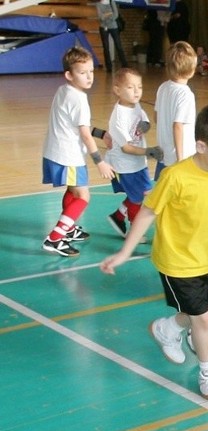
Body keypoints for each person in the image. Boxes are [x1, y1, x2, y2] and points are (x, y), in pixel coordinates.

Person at [100, 104, 208, 400]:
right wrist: (124, 253)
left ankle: (169, 327)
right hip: (178, 262)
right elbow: (147, 213)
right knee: (203, 319)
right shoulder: (175, 176)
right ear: (201, 146)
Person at [41, 46, 115, 257]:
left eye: (91, 71)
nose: (89, 77)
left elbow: (77, 125)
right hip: (68, 156)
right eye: (83, 73)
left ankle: (69, 228)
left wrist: (101, 133)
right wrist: (99, 161)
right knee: (83, 196)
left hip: (54, 152)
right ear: (69, 75)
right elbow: (83, 133)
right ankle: (55, 238)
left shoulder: (64, 90)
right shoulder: (79, 99)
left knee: (73, 191)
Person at [104, 68, 163, 239]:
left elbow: (144, 120)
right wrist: (148, 151)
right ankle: (133, 231)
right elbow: (126, 148)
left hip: (138, 162)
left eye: (140, 87)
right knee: (139, 197)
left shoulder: (135, 105)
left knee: (139, 195)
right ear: (117, 90)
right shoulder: (117, 117)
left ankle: (119, 216)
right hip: (125, 165)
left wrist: (145, 125)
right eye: (131, 87)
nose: (137, 91)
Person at [154, 41, 197, 180]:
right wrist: (180, 159)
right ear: (191, 70)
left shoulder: (163, 87)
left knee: (161, 195)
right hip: (180, 156)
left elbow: (156, 117)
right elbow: (178, 126)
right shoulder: (186, 94)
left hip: (163, 154)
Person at [95, 0, 128, 73]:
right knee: (106, 47)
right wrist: (109, 14)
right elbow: (101, 17)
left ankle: (125, 64)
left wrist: (106, 16)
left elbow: (116, 15)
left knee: (118, 45)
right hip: (103, 27)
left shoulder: (112, 2)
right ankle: (109, 67)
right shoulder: (98, 4)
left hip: (113, 26)